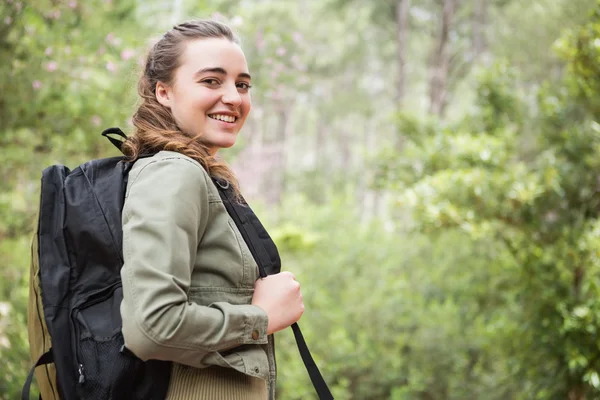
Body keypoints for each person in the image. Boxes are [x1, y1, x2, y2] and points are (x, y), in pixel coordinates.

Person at [118, 19, 304, 400]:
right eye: (211, 81)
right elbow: (151, 326)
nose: (234, 98)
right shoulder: (174, 172)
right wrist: (261, 318)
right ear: (164, 92)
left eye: (242, 84)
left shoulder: (197, 173)